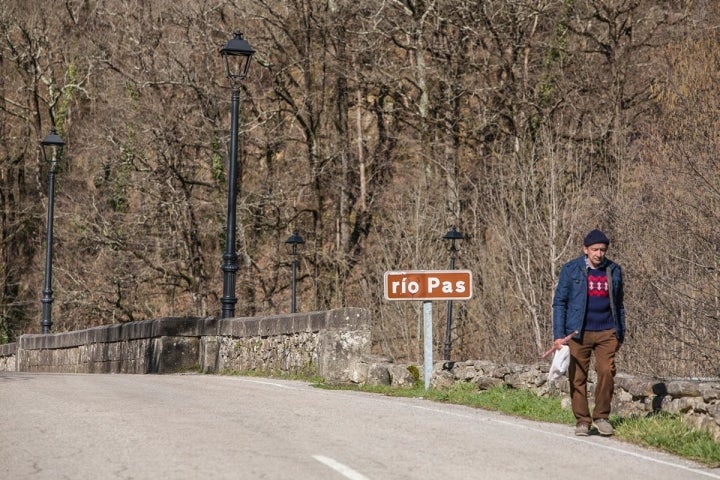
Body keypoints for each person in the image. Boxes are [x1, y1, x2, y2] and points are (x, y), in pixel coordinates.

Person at [552, 229, 626, 436]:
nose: (599, 254)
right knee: (577, 377)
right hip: (577, 332)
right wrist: (559, 335)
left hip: (607, 331)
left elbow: (619, 305)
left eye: (602, 250)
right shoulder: (571, 269)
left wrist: (620, 333)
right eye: (595, 249)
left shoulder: (614, 270)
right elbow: (560, 303)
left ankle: (601, 416)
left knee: (606, 371)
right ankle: (582, 421)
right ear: (585, 249)